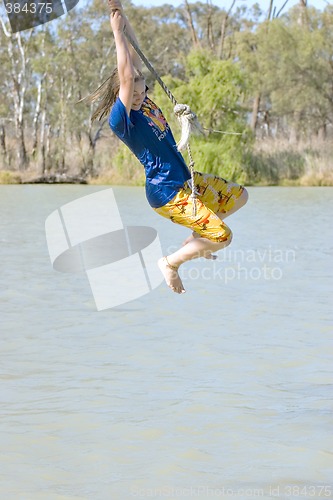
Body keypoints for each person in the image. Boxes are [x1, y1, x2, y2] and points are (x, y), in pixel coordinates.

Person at [90, 0, 248, 294]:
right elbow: (126, 75)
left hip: (186, 180)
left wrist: (122, 17)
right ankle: (171, 263)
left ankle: (196, 239)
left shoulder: (145, 100)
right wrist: (115, 34)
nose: (139, 97)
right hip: (167, 192)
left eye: (142, 92)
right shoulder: (123, 119)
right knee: (223, 236)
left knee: (238, 197)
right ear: (122, 94)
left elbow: (133, 58)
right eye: (133, 94)